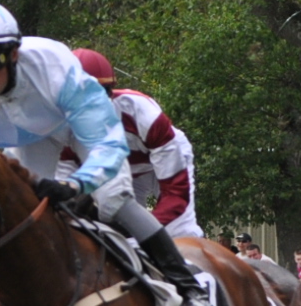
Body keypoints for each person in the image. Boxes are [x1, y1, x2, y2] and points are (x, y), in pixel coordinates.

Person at [0, 0, 211, 306]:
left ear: (13, 53)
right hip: (34, 139)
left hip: (81, 123)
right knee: (25, 206)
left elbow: (107, 144)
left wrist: (76, 184)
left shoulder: (52, 65)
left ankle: (189, 286)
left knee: (113, 199)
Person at [66, 48, 201, 239]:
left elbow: (176, 194)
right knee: (121, 228)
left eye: (96, 96)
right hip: (125, 171)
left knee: (178, 232)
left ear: (110, 93)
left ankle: (191, 267)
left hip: (164, 162)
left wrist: (150, 232)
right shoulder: (59, 129)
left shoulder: (141, 113)